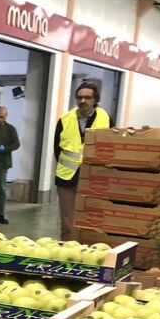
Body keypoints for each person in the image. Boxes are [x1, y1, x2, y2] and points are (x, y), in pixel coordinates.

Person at [54, 81, 110, 239]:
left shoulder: (105, 118)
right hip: (67, 178)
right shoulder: (65, 120)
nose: (83, 101)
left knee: (91, 220)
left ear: (95, 100)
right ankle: (66, 252)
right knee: (67, 222)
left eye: (87, 98)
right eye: (79, 98)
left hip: (94, 179)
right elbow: (56, 149)